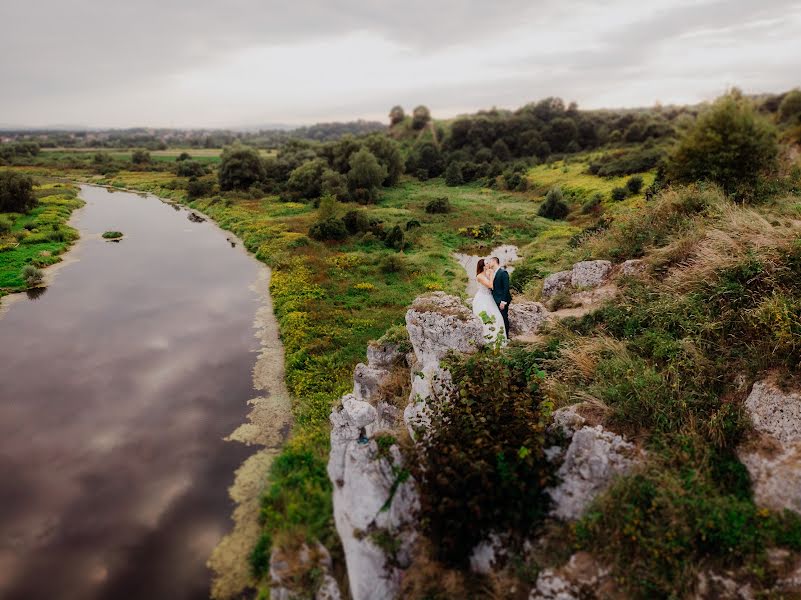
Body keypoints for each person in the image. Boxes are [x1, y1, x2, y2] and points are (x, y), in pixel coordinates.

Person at [472, 258, 507, 344]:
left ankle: (498, 339)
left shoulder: (486, 273)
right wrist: (491, 275)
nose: (488, 264)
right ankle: (486, 340)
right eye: (487, 263)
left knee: (497, 317)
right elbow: (490, 285)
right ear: (483, 266)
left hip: (489, 297)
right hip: (482, 299)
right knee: (485, 318)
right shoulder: (479, 276)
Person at [489, 256, 511, 337]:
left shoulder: (503, 272)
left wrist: (503, 301)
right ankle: (500, 334)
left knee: (504, 317)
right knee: (498, 318)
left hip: (502, 300)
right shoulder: (494, 272)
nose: (489, 263)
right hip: (496, 299)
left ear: (494, 261)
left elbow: (506, 288)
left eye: (490, 261)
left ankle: (507, 336)